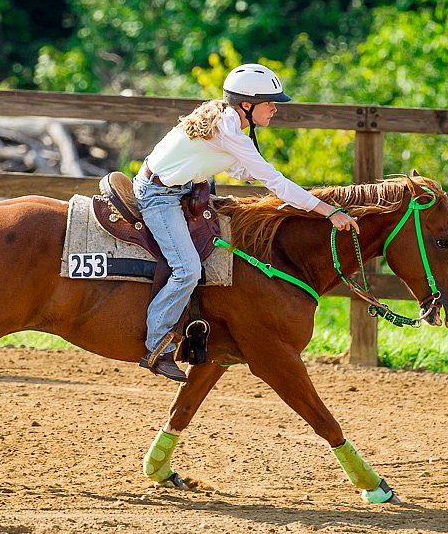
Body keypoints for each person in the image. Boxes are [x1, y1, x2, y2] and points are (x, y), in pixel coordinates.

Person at [133, 63, 360, 382]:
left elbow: (242, 169)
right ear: (247, 105)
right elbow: (273, 179)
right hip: (159, 195)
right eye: (270, 103)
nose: (275, 109)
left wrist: (270, 183)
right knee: (187, 268)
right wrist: (327, 211)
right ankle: (157, 346)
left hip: (183, 188)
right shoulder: (229, 127)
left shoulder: (229, 125)